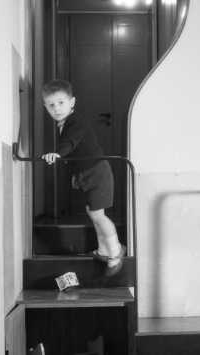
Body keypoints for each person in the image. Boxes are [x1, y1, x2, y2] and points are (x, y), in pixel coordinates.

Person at [40, 79, 125, 275]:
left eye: (61, 102)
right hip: (88, 174)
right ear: (46, 107)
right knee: (92, 212)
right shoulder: (64, 123)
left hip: (98, 172)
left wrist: (58, 153)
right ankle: (104, 249)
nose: (56, 108)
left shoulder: (76, 122)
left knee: (98, 215)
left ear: (72, 102)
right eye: (51, 105)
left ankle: (115, 251)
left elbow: (71, 142)